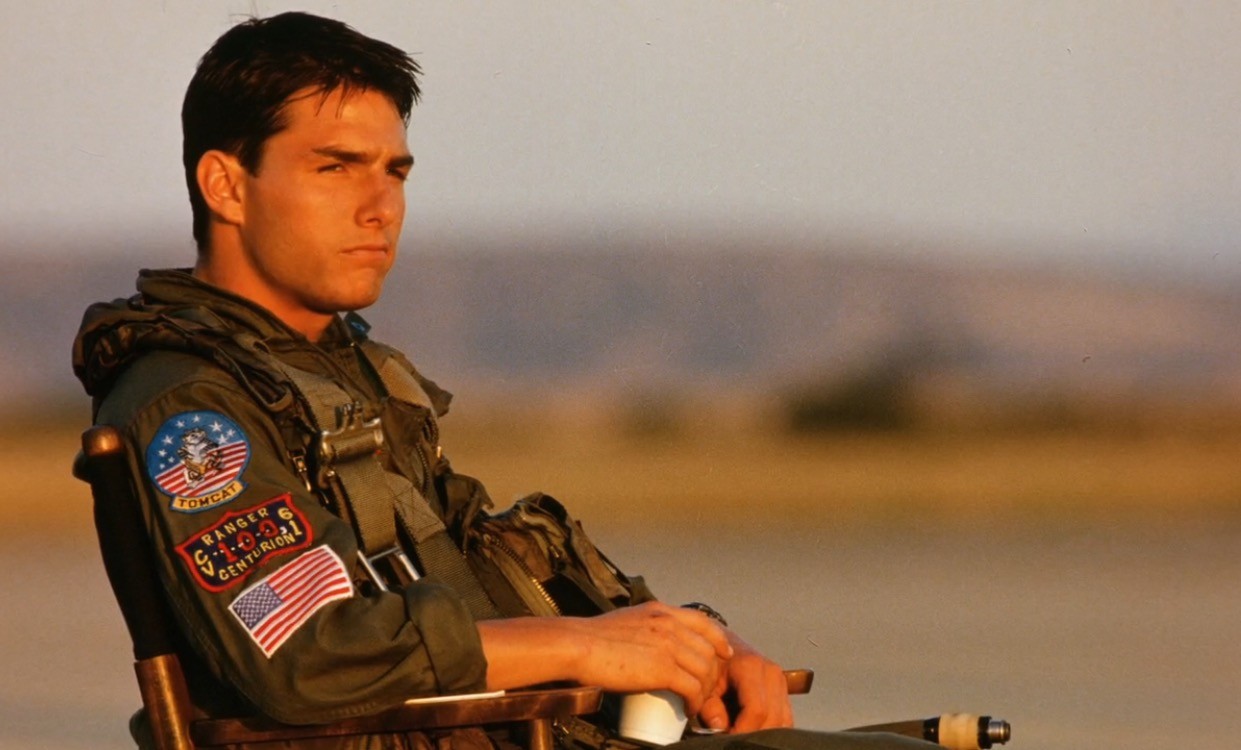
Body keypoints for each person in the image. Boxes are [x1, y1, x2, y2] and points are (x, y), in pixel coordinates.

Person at [73, 11, 937, 750]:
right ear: (226, 185)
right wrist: (583, 648)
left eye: (394, 171)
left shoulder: (336, 373)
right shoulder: (191, 412)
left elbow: (478, 554)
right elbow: (309, 652)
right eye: (334, 167)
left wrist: (692, 641)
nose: (380, 206)